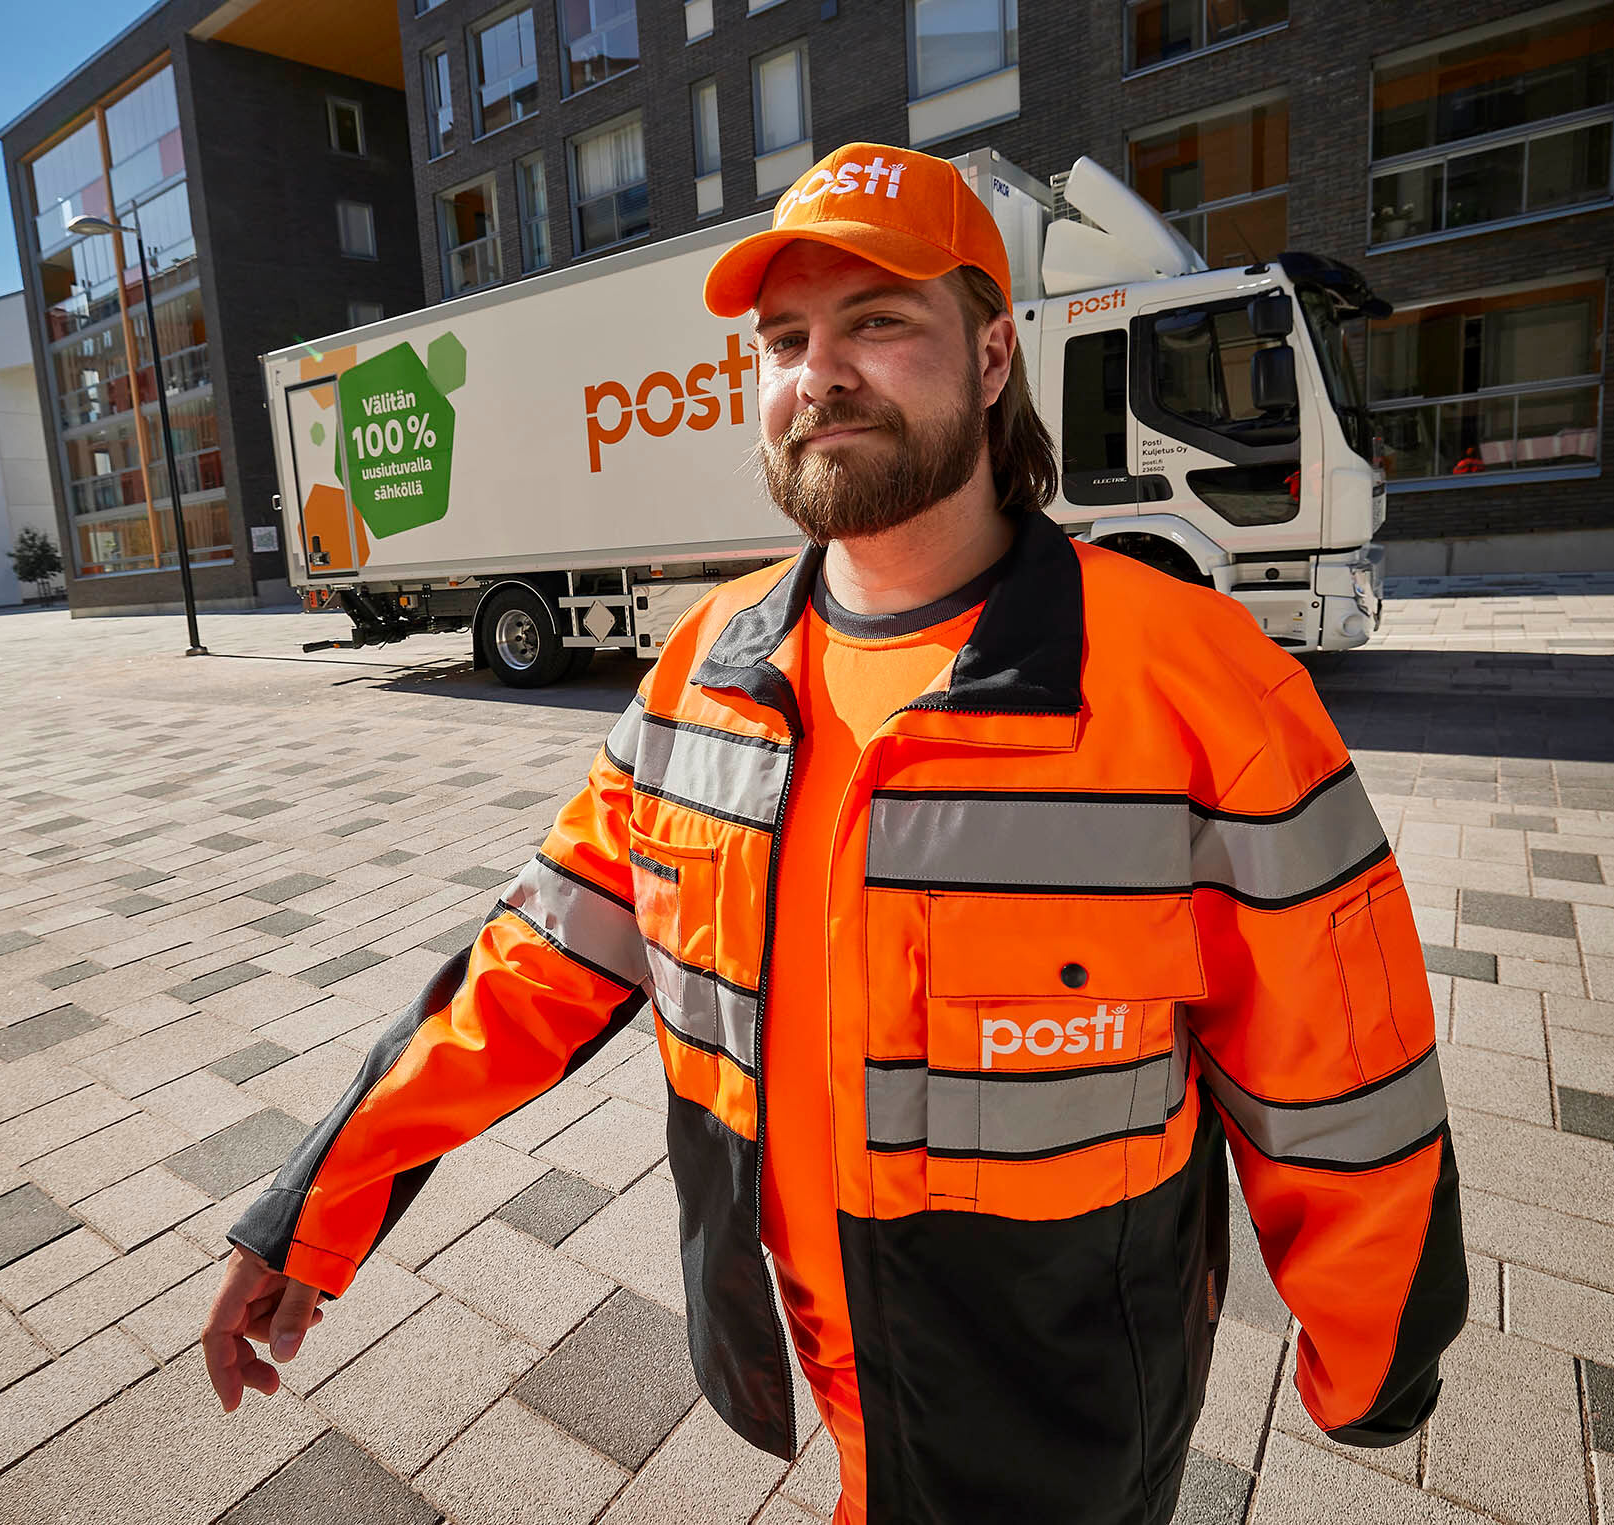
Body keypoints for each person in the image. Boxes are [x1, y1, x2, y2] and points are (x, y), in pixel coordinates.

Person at [203, 142, 1465, 1525]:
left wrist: (1375, 1356)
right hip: (823, 1385)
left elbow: (1340, 1063)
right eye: (787, 337)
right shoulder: (701, 671)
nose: (822, 371)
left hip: (1062, 1431)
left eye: (879, 322)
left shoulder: (1198, 681)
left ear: (992, 358)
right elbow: (530, 965)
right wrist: (314, 1207)